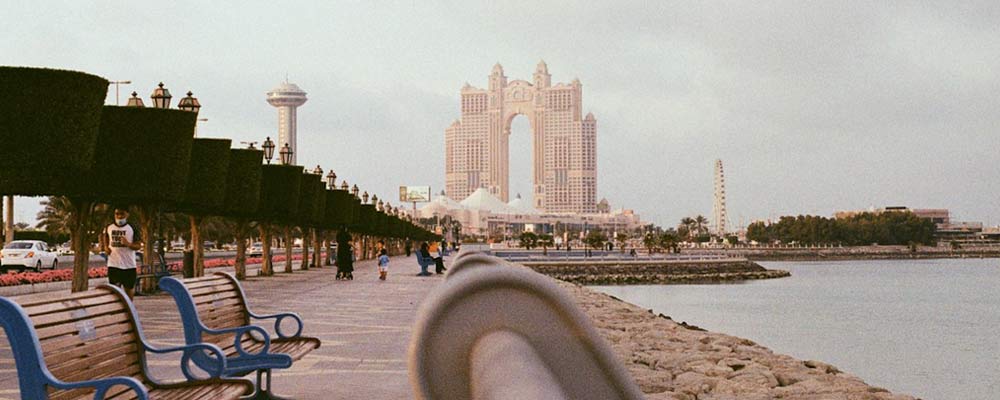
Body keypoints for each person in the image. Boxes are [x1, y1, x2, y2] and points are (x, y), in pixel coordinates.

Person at [100, 208, 142, 300]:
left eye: (122, 214)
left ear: (127, 214)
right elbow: (105, 236)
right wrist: (106, 247)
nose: (119, 216)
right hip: (114, 264)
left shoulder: (132, 228)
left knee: (129, 289)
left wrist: (128, 244)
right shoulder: (109, 227)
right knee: (115, 290)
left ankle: (129, 308)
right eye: (117, 214)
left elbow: (138, 246)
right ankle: (117, 310)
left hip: (128, 265)